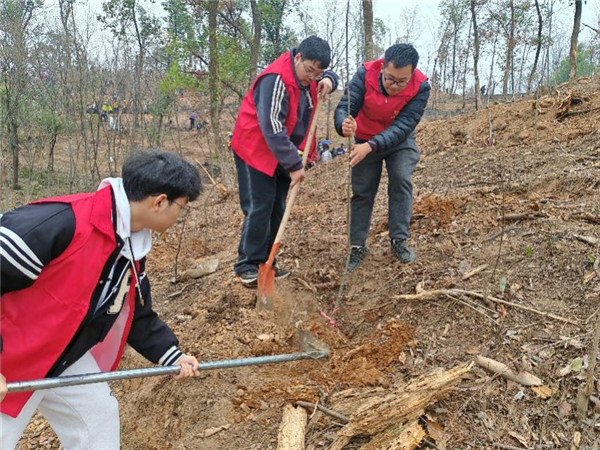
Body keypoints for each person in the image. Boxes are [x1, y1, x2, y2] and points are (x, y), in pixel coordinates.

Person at [0, 150, 202, 449]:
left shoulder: (130, 243)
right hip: (12, 354)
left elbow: (134, 308)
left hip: (61, 352)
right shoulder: (60, 222)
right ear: (159, 202)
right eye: (181, 209)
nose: (179, 217)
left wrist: (170, 354)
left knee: (97, 417)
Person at [230, 35, 338, 286]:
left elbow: (327, 75)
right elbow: (271, 127)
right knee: (259, 205)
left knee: (277, 206)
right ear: (297, 57)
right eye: (309, 71)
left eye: (317, 73)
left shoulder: (310, 75)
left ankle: (268, 263)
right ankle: (247, 264)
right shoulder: (275, 79)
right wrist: (295, 165)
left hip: (281, 151)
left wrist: (329, 79)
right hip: (254, 147)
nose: (312, 78)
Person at [335, 43, 430, 271]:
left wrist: (372, 146)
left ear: (412, 74)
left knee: (401, 178)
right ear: (381, 68)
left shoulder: (421, 87)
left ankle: (399, 240)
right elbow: (344, 107)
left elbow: (404, 126)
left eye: (401, 81)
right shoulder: (364, 74)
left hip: (400, 141)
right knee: (362, 190)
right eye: (389, 79)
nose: (394, 86)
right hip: (365, 137)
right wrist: (343, 124)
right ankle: (357, 246)